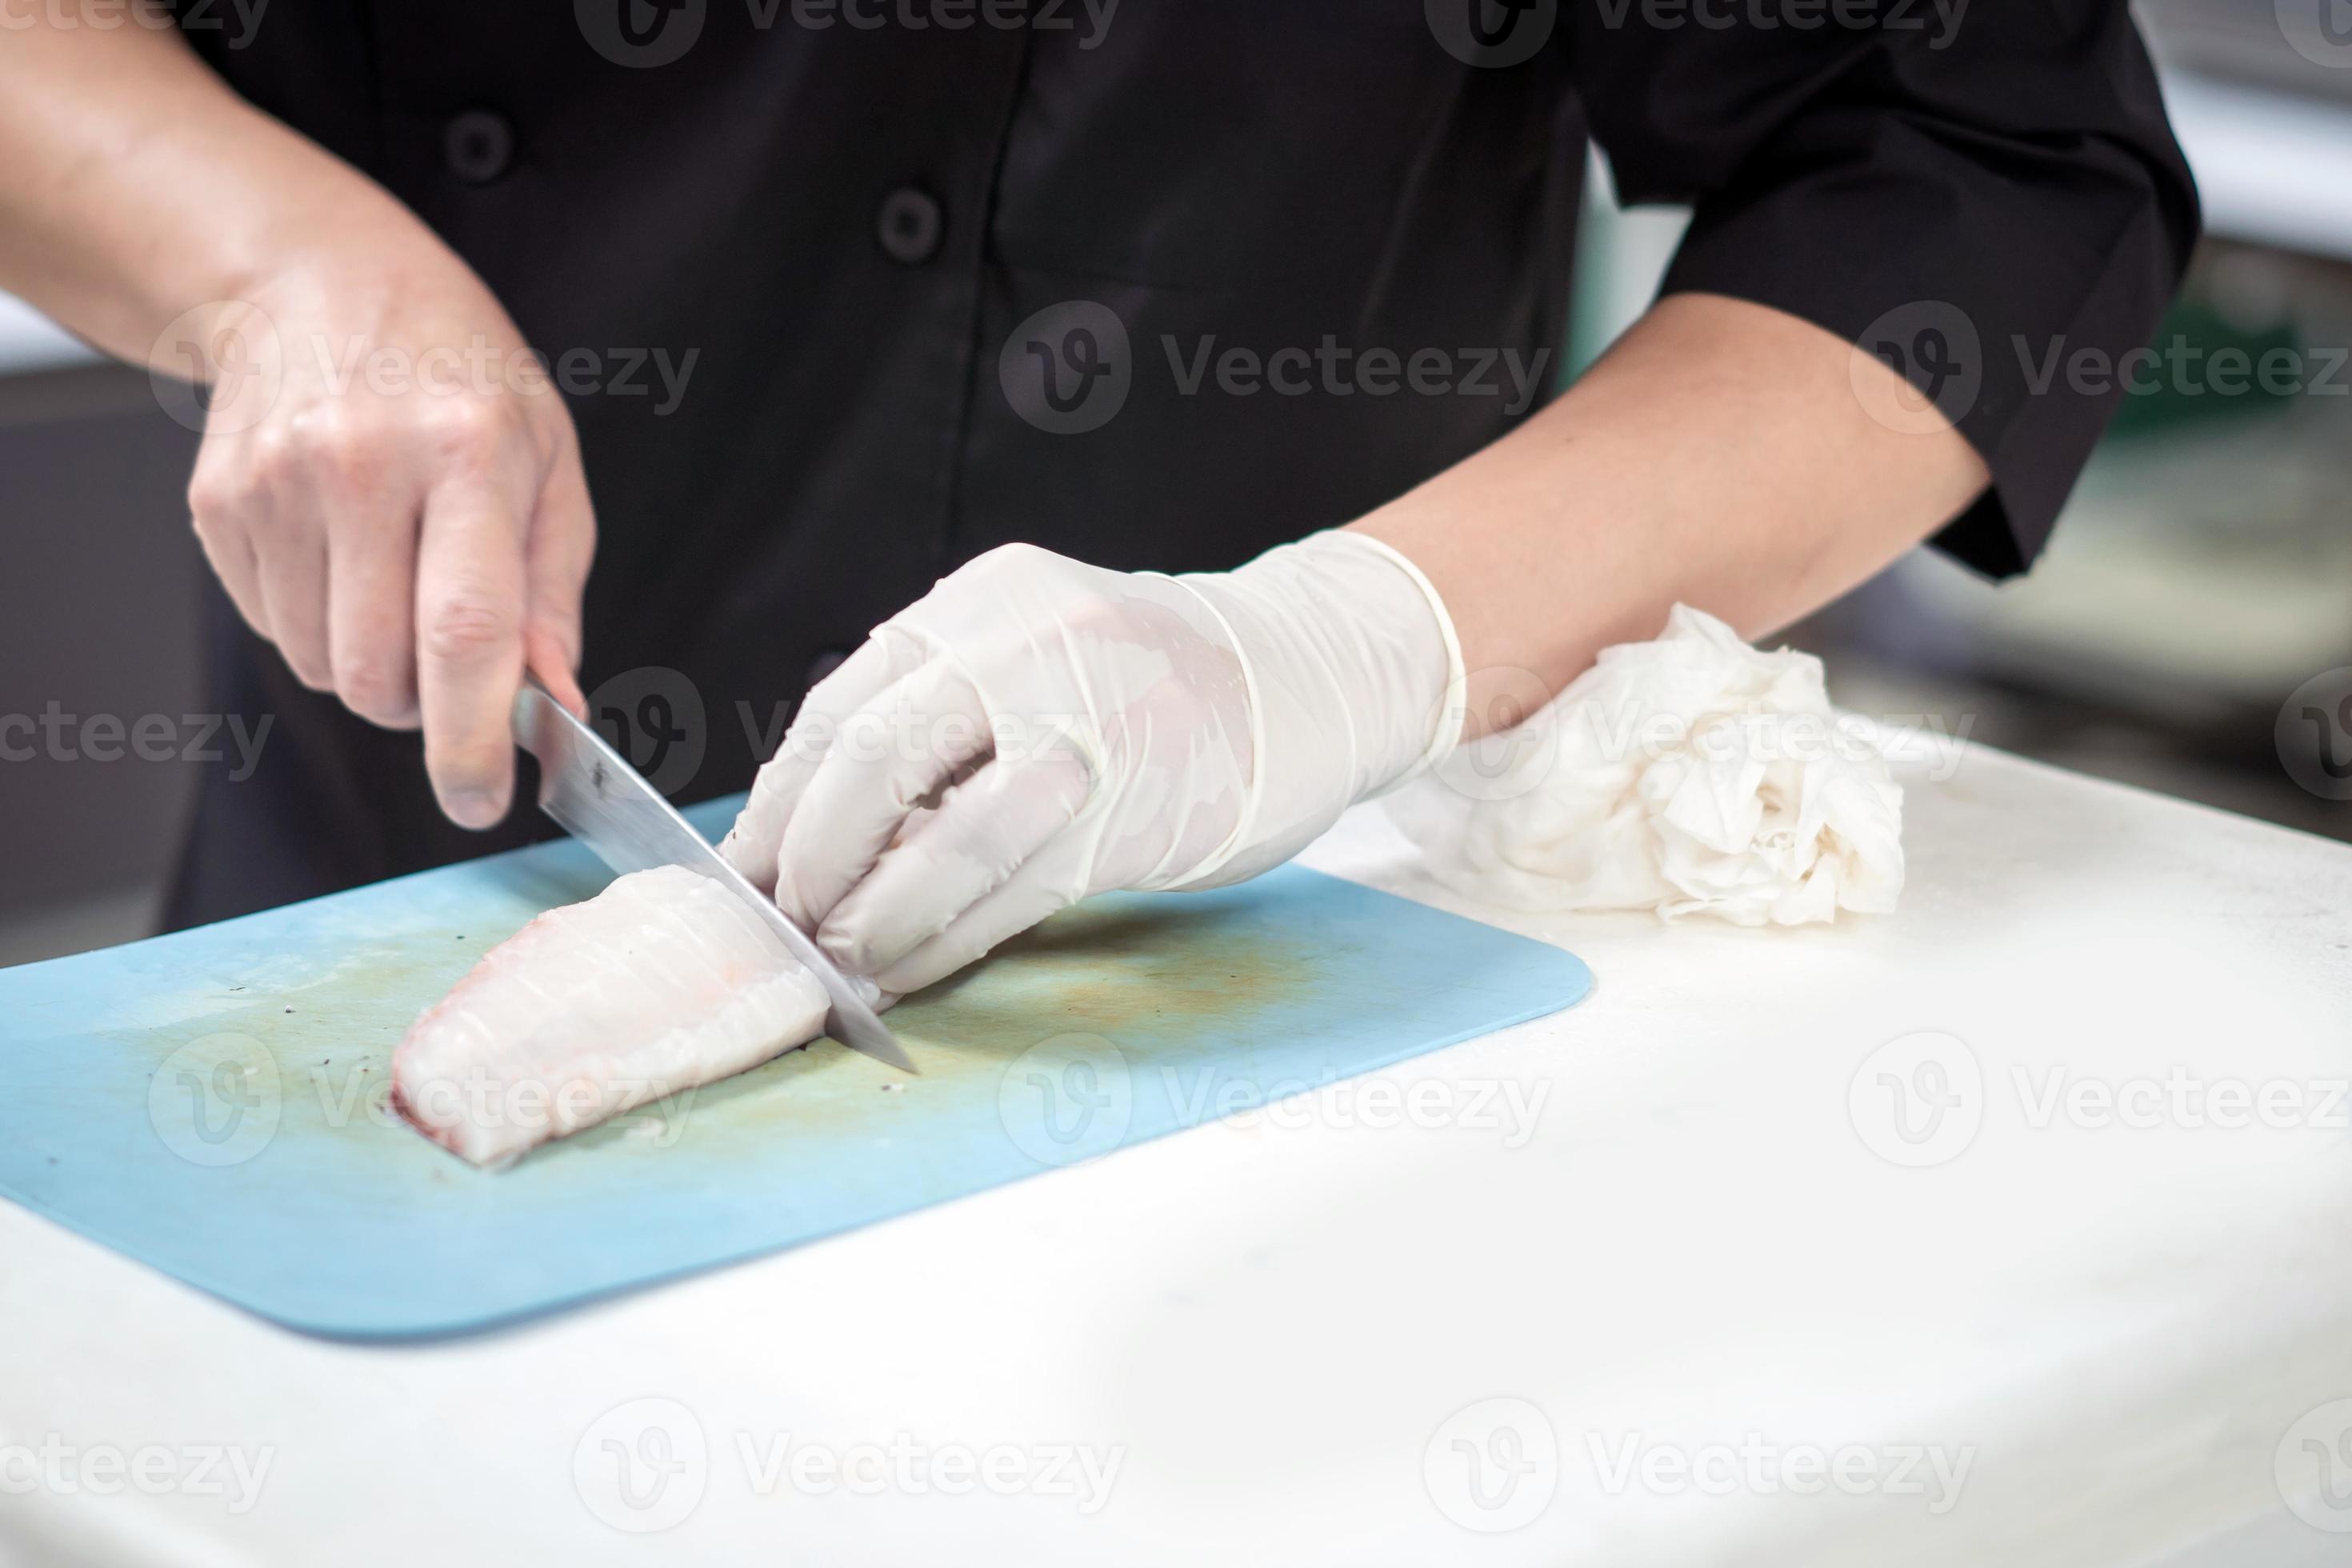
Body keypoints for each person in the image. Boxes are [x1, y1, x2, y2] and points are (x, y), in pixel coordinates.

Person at [0, 2, 2195, 986]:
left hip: (1305, 936)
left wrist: (1335, 648)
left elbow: (1963, 156)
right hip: (399, 894)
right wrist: (271, 259)